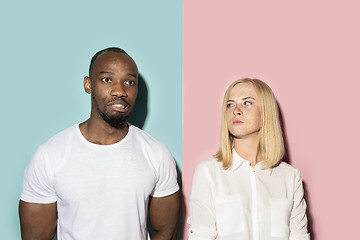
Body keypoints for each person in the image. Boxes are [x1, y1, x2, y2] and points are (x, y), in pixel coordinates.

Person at [19, 47, 181, 240]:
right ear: (88, 85)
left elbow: (166, 231)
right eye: (107, 79)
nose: (120, 91)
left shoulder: (156, 153)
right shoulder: (50, 156)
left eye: (129, 82)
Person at [187, 78, 310, 240]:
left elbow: (299, 237)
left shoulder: (290, 177)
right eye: (230, 104)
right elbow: (201, 235)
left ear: (266, 111)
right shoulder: (208, 172)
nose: (236, 110)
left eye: (247, 103)